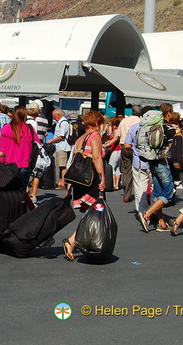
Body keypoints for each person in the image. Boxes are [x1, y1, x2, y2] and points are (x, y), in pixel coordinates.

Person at [61, 110, 107, 261]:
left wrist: (69, 186)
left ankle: (77, 241)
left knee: (90, 213)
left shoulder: (79, 139)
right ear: (96, 123)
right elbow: (97, 158)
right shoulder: (95, 136)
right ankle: (73, 241)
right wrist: (102, 178)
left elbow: (73, 162)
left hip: (79, 180)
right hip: (91, 179)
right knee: (95, 212)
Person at [135, 105, 177, 232]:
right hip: (163, 162)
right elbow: (172, 148)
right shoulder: (169, 128)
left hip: (151, 161)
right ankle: (147, 214)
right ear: (168, 113)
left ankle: (160, 222)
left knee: (158, 193)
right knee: (168, 193)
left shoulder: (151, 125)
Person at [116, 105, 142, 202]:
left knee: (126, 170)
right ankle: (140, 193)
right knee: (138, 170)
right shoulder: (140, 121)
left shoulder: (124, 121)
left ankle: (127, 194)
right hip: (136, 147)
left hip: (124, 146)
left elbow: (117, 135)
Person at [48, 109, 72, 189]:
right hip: (60, 147)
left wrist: (53, 140)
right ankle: (61, 181)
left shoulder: (63, 123)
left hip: (63, 147)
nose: (54, 118)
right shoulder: (60, 122)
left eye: (54, 116)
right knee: (60, 165)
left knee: (63, 166)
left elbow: (61, 136)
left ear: (59, 115)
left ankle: (63, 183)